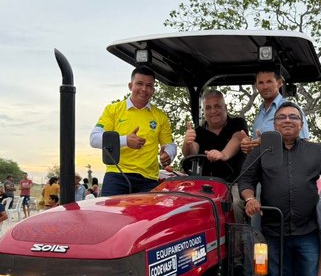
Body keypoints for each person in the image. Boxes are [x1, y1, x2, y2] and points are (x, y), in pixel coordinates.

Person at [238, 101, 321, 276]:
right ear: (274, 124)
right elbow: (245, 180)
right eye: (281, 117)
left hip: (308, 231)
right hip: (272, 232)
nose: (287, 120)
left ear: (301, 124)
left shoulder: (316, 151)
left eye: (293, 117)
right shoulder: (261, 151)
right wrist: (250, 199)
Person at [89, 66, 176, 196]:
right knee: (109, 215)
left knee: (151, 216)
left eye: (149, 85)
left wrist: (168, 154)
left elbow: (170, 145)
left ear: (153, 90)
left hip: (148, 179)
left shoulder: (160, 116)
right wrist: (125, 141)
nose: (144, 89)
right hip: (117, 175)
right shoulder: (113, 110)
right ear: (130, 86)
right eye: (139, 84)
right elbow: (94, 139)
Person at [182, 90, 249, 221]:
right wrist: (187, 142)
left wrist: (223, 155)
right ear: (204, 111)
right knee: (187, 204)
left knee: (235, 203)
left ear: (225, 107)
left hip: (234, 182)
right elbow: (191, 152)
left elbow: (238, 138)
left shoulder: (237, 123)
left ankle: (239, 238)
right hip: (207, 185)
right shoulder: (199, 131)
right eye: (208, 107)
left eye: (217, 106)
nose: (213, 111)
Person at [240, 69, 309, 156]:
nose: (265, 87)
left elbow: (304, 145)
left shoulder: (293, 109)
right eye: (261, 83)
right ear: (256, 86)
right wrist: (249, 146)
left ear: (279, 83)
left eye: (269, 82)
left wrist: (267, 144)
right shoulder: (259, 115)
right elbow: (258, 151)